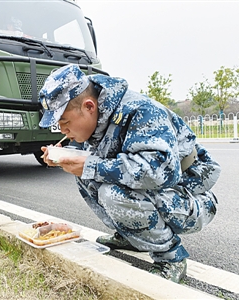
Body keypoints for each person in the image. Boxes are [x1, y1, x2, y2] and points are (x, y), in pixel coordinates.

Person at [39, 64, 221, 283]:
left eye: (65, 122)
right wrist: (63, 156)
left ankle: (170, 258)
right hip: (159, 191)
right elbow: (99, 153)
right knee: (86, 174)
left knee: (110, 192)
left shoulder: (141, 111)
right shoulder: (101, 115)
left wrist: (90, 165)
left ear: (89, 106)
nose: (63, 131)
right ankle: (132, 235)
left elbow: (160, 172)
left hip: (188, 198)